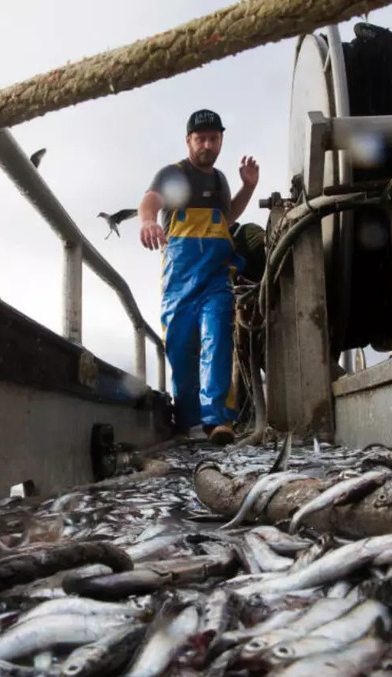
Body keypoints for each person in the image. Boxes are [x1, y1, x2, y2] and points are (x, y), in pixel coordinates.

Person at [138, 109, 259, 445]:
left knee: (217, 339)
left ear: (221, 140)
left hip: (216, 278)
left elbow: (228, 215)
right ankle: (187, 419)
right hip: (180, 280)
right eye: (200, 138)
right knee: (179, 346)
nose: (207, 144)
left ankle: (218, 421)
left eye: (214, 138)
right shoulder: (173, 175)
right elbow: (149, 201)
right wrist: (147, 221)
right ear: (188, 141)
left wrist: (248, 188)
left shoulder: (220, 179)